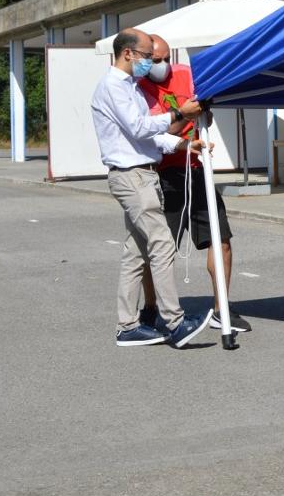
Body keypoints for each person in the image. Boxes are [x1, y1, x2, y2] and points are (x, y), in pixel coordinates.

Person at [91, 27, 212, 347]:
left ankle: (128, 325)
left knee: (137, 251)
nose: (151, 63)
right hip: (131, 176)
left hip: (140, 174)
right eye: (147, 56)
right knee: (161, 243)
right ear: (128, 53)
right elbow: (139, 126)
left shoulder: (128, 86)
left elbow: (146, 135)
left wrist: (183, 145)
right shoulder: (114, 86)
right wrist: (178, 113)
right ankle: (175, 322)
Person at [137, 34, 251, 334]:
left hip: (197, 168)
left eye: (165, 59)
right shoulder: (139, 89)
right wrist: (183, 115)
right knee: (158, 248)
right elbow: (157, 134)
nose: (162, 66)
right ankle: (150, 307)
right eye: (155, 60)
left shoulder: (187, 75)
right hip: (163, 174)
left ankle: (221, 307)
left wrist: (204, 113)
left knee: (220, 239)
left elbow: (204, 118)